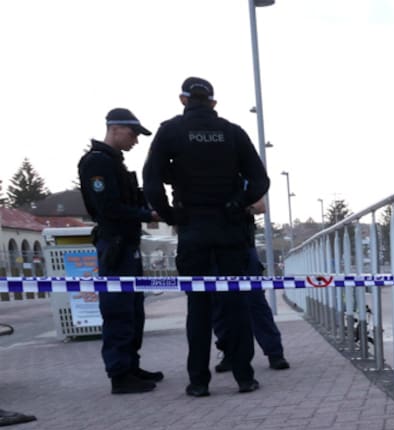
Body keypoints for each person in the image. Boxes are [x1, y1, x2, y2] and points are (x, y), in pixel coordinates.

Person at [143, 76, 269, 397]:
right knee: (236, 305)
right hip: (230, 230)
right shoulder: (232, 132)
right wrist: (238, 203)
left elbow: (152, 183)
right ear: (213, 103)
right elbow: (260, 179)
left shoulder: (170, 132)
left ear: (183, 100)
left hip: (193, 230)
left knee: (198, 307)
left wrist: (173, 216)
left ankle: (198, 381)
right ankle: (244, 377)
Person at [77, 108, 163, 394]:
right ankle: (119, 374)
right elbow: (108, 207)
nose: (136, 140)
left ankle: (130, 365)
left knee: (134, 310)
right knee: (118, 310)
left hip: (126, 244)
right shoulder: (97, 163)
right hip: (115, 245)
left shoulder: (113, 162)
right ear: (114, 129)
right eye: (132, 133)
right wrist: (146, 215)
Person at [213, 197, 289, 373]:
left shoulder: (241, 176)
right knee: (219, 304)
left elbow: (260, 206)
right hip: (213, 247)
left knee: (255, 302)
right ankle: (229, 353)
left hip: (242, 245)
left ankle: (274, 353)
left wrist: (236, 205)